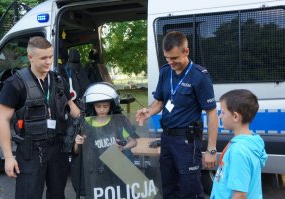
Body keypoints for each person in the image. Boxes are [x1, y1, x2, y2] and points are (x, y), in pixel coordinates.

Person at [136, 31, 218, 198]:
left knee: (190, 189)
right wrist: (148, 111)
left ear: (186, 51)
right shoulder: (166, 72)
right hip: (166, 139)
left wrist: (211, 149)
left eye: (174, 58)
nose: (170, 62)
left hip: (187, 142)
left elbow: (212, 113)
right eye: (167, 58)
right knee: (168, 186)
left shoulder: (199, 76)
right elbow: (159, 101)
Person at [0, 36, 80, 199]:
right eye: (43, 58)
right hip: (31, 152)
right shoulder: (15, 84)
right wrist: (8, 157)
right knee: (28, 195)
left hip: (58, 149)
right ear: (30, 57)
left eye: (50, 56)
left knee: (57, 194)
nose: (48, 61)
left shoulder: (58, 80)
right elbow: (3, 120)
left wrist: (89, 123)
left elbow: (74, 110)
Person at [70, 82, 138, 198]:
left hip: (115, 166)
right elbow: (76, 152)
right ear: (93, 106)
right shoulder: (85, 124)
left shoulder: (118, 122)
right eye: (98, 106)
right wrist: (77, 143)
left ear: (111, 105)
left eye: (105, 106)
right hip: (94, 169)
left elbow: (133, 142)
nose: (102, 110)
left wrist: (123, 147)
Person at [210, 89, 267, 199]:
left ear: (235, 117)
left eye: (223, 112)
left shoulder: (239, 150)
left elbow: (240, 195)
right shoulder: (251, 141)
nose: (220, 116)